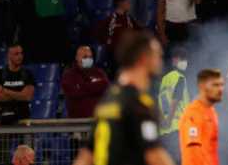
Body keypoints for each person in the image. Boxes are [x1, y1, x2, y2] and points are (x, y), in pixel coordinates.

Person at [91, 30, 176, 165]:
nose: (161, 58)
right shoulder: (139, 104)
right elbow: (155, 156)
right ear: (143, 59)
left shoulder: (108, 99)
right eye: (157, 54)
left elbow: (86, 155)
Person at [179, 69, 224, 165]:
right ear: (202, 86)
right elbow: (193, 153)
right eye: (215, 85)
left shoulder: (211, 111)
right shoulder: (193, 114)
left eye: (221, 85)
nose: (220, 89)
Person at [160, 49, 191, 160]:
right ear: (174, 60)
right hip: (178, 128)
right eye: (182, 59)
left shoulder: (165, 79)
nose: (185, 62)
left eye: (186, 60)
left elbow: (162, 102)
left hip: (164, 131)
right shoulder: (180, 77)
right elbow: (176, 99)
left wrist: (164, 121)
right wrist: (169, 120)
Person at [62, 45, 111, 118]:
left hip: (97, 120)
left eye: (90, 57)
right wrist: (95, 86)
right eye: (85, 57)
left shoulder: (99, 73)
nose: (88, 59)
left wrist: (82, 86)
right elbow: (74, 92)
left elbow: (105, 86)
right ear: (77, 58)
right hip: (76, 122)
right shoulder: (69, 75)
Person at [0, 43, 36, 124]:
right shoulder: (1, 73)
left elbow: (27, 96)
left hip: (23, 117)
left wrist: (6, 91)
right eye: (16, 54)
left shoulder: (28, 74)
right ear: (9, 55)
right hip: (3, 117)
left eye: (21, 53)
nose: (20, 56)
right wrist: (20, 95)